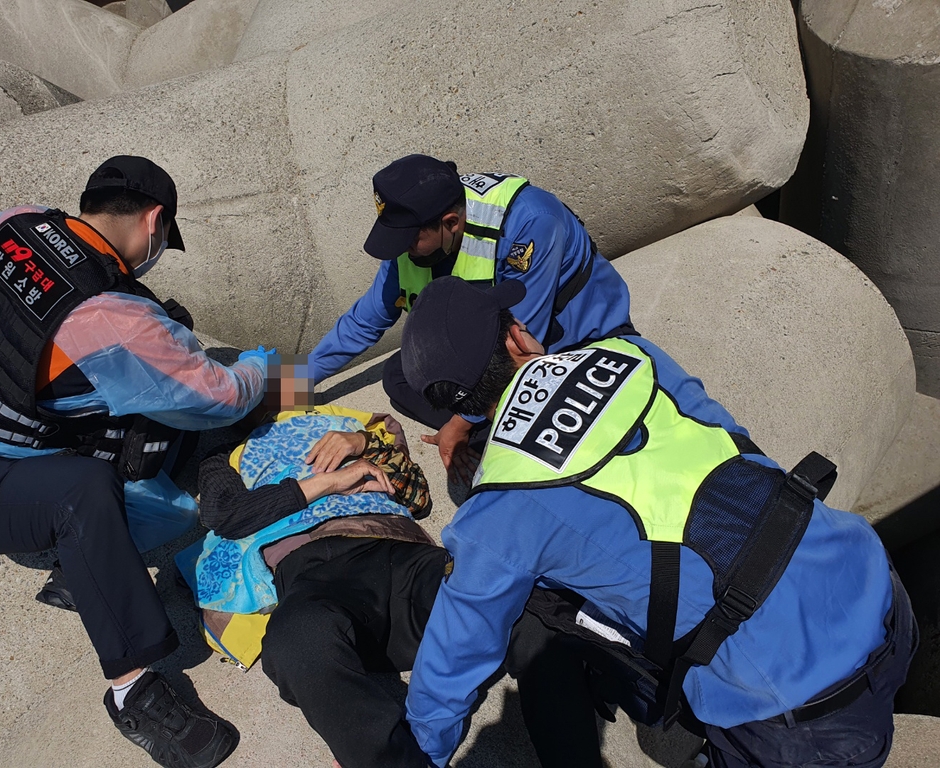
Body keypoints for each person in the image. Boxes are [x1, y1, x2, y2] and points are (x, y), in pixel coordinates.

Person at [398, 276, 916, 768]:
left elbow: (455, 655)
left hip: (800, 719)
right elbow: (730, 440)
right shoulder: (632, 355)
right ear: (516, 336)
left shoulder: (496, 510)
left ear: (453, 408)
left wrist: (420, 747)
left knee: (540, 599)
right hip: (878, 585)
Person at [0, 156, 271, 768]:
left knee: (157, 479)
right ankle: (132, 690)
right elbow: (221, 396)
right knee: (93, 492)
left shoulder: (20, 226)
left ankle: (83, 573)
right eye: (165, 238)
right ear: (155, 221)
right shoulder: (116, 318)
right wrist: (264, 365)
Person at [307, 154, 633, 481]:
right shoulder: (413, 240)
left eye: (408, 240)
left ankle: (510, 437)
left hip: (576, 344)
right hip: (498, 347)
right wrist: (292, 380)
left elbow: (519, 348)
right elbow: (363, 321)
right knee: (400, 372)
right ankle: (499, 431)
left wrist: (460, 423)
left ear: (450, 222)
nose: (401, 251)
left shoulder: (530, 221)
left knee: (514, 395)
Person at [181, 394, 446, 768]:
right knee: (297, 644)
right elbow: (226, 514)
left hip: (396, 549)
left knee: (510, 597)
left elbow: (416, 495)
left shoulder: (347, 425)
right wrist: (331, 482)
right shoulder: (226, 457)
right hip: (311, 573)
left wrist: (362, 442)